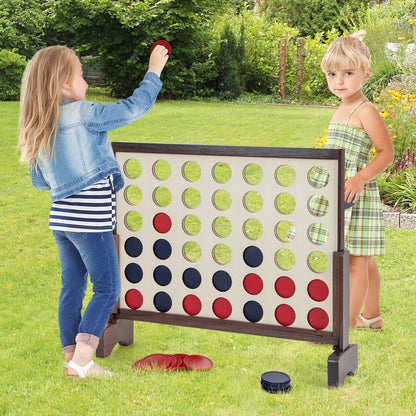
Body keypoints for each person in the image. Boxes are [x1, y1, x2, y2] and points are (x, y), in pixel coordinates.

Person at [18, 44, 169, 377]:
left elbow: (41, 182)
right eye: (82, 75)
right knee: (108, 288)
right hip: (90, 218)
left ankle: (71, 355)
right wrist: (153, 71)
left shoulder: (42, 125)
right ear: (63, 84)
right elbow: (132, 109)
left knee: (72, 286)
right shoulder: (84, 114)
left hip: (62, 221)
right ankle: (83, 360)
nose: (86, 82)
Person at [319, 31, 394, 329]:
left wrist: (361, 178)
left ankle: (346, 325)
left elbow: (386, 153)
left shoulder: (366, 110)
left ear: (366, 74)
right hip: (340, 192)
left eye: (348, 73)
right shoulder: (341, 108)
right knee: (364, 256)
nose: (339, 81)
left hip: (357, 195)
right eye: (332, 74)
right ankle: (371, 315)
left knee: (355, 260)